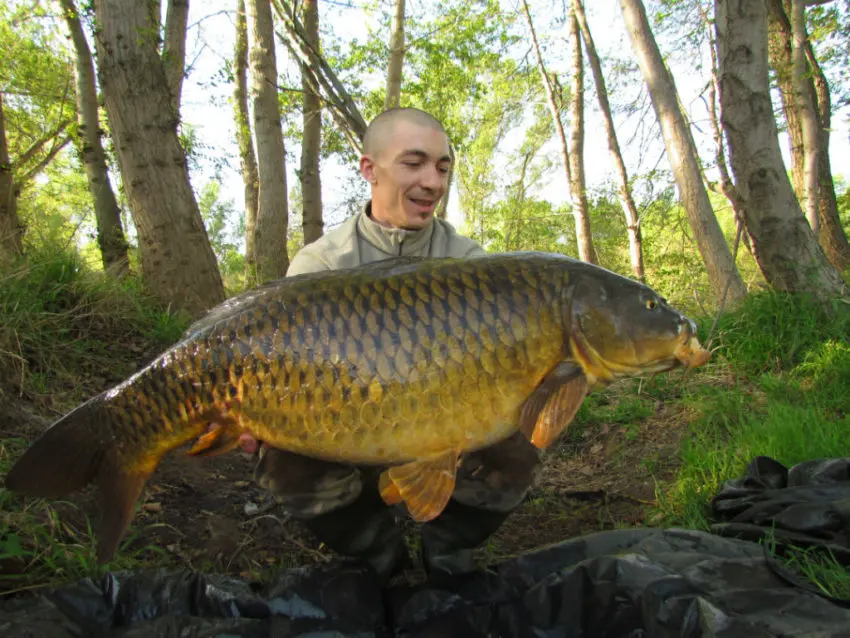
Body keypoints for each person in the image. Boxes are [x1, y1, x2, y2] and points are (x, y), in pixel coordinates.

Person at [240, 107, 541, 583]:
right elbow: (283, 365)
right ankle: (377, 555)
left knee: (520, 439)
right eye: (414, 163)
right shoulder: (321, 264)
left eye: (443, 167)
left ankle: (448, 547)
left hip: (444, 427)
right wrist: (257, 413)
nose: (433, 182)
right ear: (369, 170)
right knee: (280, 457)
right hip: (351, 430)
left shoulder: (470, 265)